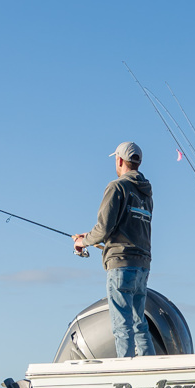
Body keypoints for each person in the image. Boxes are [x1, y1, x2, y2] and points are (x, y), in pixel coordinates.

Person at [73, 141, 156, 357]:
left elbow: (103, 229)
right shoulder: (146, 193)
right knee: (139, 324)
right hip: (142, 265)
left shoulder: (116, 187)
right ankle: (150, 367)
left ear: (119, 160)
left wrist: (82, 242)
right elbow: (123, 227)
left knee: (122, 326)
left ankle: (125, 370)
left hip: (121, 265)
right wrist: (89, 237)